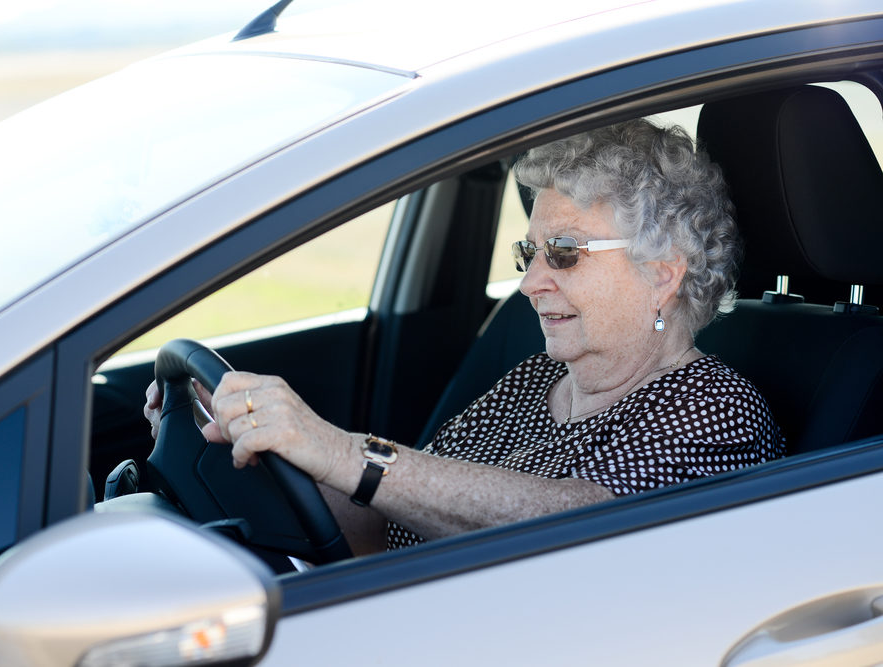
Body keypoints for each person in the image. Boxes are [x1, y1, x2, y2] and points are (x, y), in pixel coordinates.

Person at [144, 119, 785, 554]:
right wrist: (250, 454)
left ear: (663, 274)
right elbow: (392, 521)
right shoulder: (534, 382)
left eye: (563, 252)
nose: (531, 283)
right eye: (528, 252)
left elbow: (581, 525)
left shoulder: (714, 406)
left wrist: (341, 451)